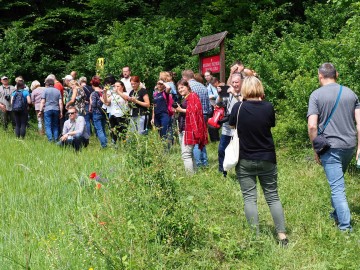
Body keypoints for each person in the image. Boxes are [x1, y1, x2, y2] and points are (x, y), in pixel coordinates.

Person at [229, 76, 288, 245]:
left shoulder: (238, 107)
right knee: (272, 196)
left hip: (245, 158)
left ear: (244, 89)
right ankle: (282, 235)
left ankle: (255, 236)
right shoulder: (268, 107)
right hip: (267, 157)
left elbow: (232, 125)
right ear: (260, 88)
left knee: (249, 198)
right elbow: (270, 124)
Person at [307, 63, 360, 232]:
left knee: (337, 187)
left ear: (320, 76)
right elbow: (359, 124)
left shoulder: (316, 95)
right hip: (349, 146)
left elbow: (312, 126)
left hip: (330, 147)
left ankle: (345, 228)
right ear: (336, 74)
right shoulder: (351, 93)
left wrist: (316, 149)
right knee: (337, 181)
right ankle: (337, 215)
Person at [174, 79, 208, 174]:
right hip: (184, 128)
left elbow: (195, 111)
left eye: (182, 87)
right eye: (179, 88)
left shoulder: (193, 96)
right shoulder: (186, 97)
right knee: (189, 153)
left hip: (189, 129)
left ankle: (189, 177)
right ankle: (194, 174)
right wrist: (178, 110)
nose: (180, 90)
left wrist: (181, 110)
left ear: (187, 87)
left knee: (186, 154)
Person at [182, 69, 211, 168]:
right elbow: (208, 104)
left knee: (195, 140)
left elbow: (191, 107)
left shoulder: (190, 88)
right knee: (201, 138)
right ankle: (205, 162)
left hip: (194, 116)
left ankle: (198, 163)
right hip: (204, 114)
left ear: (185, 78)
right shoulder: (203, 86)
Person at [217, 73, 243, 177]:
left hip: (239, 126)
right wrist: (219, 94)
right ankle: (222, 172)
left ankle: (241, 172)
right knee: (221, 149)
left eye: (237, 82)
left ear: (242, 82)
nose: (234, 84)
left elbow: (244, 103)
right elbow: (218, 103)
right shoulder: (228, 91)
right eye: (232, 82)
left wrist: (234, 94)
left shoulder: (245, 91)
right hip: (227, 125)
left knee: (239, 151)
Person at [38, 78, 63, 142]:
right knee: (55, 125)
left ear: (47, 84)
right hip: (56, 109)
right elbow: (60, 102)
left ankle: (50, 139)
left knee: (48, 125)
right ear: (53, 84)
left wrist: (40, 111)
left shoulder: (45, 91)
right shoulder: (57, 91)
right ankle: (56, 139)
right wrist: (61, 112)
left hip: (47, 109)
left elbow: (42, 101)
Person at [89, 76, 107, 148]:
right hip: (103, 112)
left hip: (96, 113)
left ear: (92, 85)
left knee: (99, 130)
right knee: (103, 129)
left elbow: (93, 104)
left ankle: (104, 145)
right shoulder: (103, 91)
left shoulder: (93, 93)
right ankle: (105, 142)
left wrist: (90, 100)